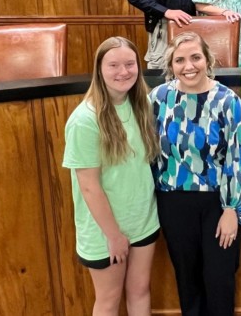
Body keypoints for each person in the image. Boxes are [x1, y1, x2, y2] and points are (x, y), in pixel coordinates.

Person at [150, 32, 241, 316]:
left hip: (217, 204)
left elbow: (240, 154)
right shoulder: (159, 98)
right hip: (173, 202)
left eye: (195, 57)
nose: (189, 66)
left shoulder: (227, 101)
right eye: (180, 60)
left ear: (208, 60)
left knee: (219, 280)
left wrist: (232, 209)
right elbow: (146, 150)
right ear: (171, 65)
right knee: (188, 282)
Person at [62, 37, 160, 315]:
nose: (123, 72)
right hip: (106, 231)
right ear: (99, 70)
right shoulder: (84, 119)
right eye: (114, 65)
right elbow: (89, 186)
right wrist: (114, 235)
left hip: (143, 220)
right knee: (108, 299)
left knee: (140, 291)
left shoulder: (140, 105)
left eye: (130, 64)